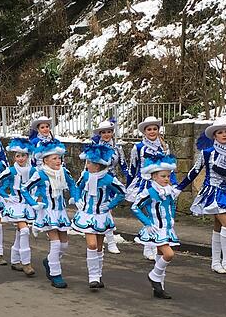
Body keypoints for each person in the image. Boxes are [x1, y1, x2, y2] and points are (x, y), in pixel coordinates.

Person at [175, 119, 226, 274]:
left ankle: (215, 262)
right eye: (220, 132)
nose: (224, 135)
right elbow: (194, 171)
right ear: (214, 136)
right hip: (212, 192)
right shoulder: (207, 153)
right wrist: (179, 188)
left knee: (219, 225)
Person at [22, 140, 80, 289]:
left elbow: (74, 184)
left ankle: (49, 261)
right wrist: (34, 203)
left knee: (64, 245)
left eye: (59, 158)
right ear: (45, 160)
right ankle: (55, 274)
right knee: (55, 244)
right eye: (54, 158)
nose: (58, 161)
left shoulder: (64, 172)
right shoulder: (40, 174)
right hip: (47, 212)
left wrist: (75, 197)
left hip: (61, 212)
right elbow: (25, 189)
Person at [72, 143, 127, 289]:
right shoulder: (85, 175)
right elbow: (77, 188)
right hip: (87, 214)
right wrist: (78, 200)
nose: (86, 165)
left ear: (97, 165)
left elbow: (122, 193)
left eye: (89, 162)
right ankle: (93, 277)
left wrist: (109, 205)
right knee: (92, 244)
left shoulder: (108, 179)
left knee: (99, 247)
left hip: (101, 215)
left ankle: (98, 275)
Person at [132, 155, 180, 299]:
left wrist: (172, 218)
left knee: (160, 256)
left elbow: (171, 205)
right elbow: (135, 207)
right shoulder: (150, 192)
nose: (166, 179)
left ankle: (159, 289)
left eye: (168, 176)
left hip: (167, 228)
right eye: (163, 176)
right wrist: (147, 223)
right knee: (169, 254)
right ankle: (154, 276)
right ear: (154, 176)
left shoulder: (169, 191)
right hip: (155, 228)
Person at [126, 116, 174, 261]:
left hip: (160, 183)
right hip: (144, 183)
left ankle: (155, 244)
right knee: (148, 213)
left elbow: (168, 168)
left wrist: (171, 183)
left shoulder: (164, 147)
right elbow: (133, 167)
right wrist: (129, 185)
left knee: (157, 214)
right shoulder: (138, 148)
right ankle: (149, 245)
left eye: (155, 129)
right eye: (149, 129)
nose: (152, 132)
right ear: (144, 132)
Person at [0, 138, 37, 276]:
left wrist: (37, 197)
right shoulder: (11, 170)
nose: (21, 158)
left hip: (28, 204)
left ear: (28, 156)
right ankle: (26, 263)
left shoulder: (33, 170)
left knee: (20, 231)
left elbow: (40, 185)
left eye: (23, 155)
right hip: (15, 204)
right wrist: (6, 196)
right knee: (24, 231)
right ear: (14, 157)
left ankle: (14, 260)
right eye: (18, 156)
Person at [90, 120, 129, 254]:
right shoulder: (95, 147)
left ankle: (109, 241)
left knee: (109, 209)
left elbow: (123, 165)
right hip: (97, 180)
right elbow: (89, 164)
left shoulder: (117, 147)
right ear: (100, 134)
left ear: (113, 133)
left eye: (109, 131)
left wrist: (130, 180)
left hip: (111, 180)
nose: (106, 134)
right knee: (100, 210)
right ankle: (107, 241)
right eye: (103, 132)